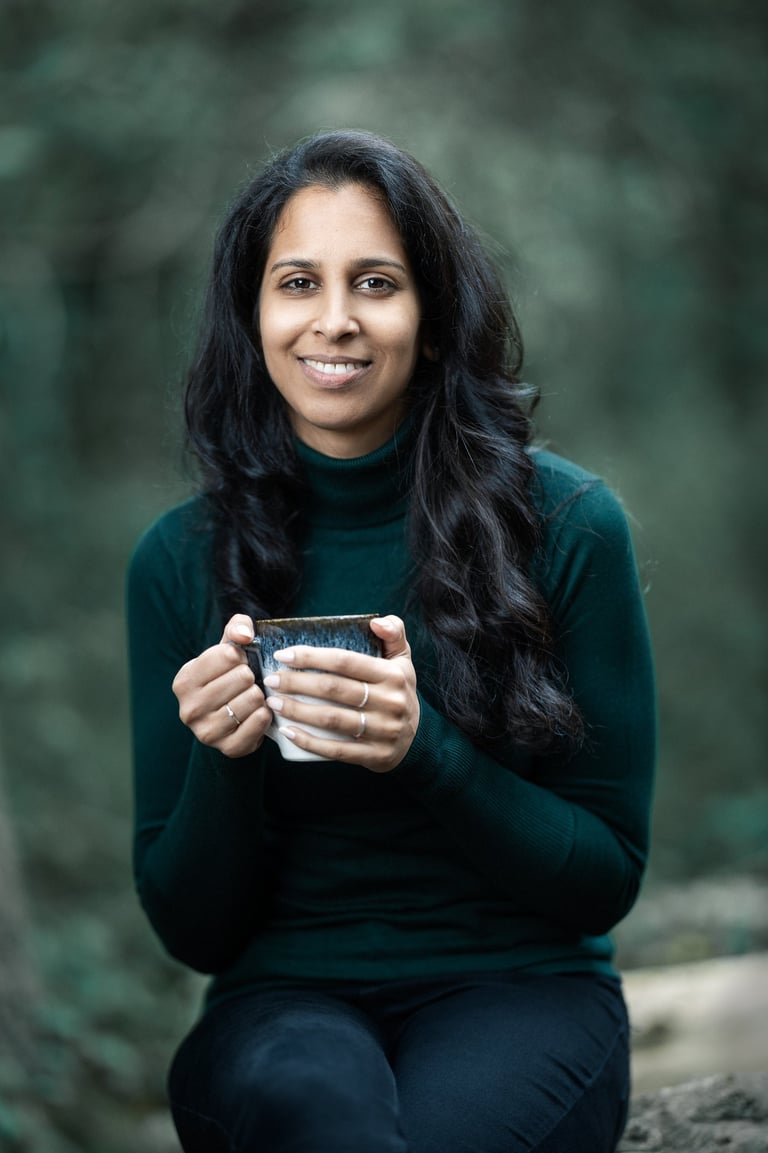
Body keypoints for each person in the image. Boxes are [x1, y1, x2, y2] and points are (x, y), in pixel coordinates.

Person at [126, 129, 656, 1153]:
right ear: (252, 311)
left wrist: (427, 753)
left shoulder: (572, 525)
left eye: (376, 281)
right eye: (296, 283)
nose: (334, 321)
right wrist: (225, 754)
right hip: (278, 1007)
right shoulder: (178, 559)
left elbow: (606, 876)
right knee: (315, 1110)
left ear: (432, 312)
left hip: (524, 988)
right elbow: (194, 932)